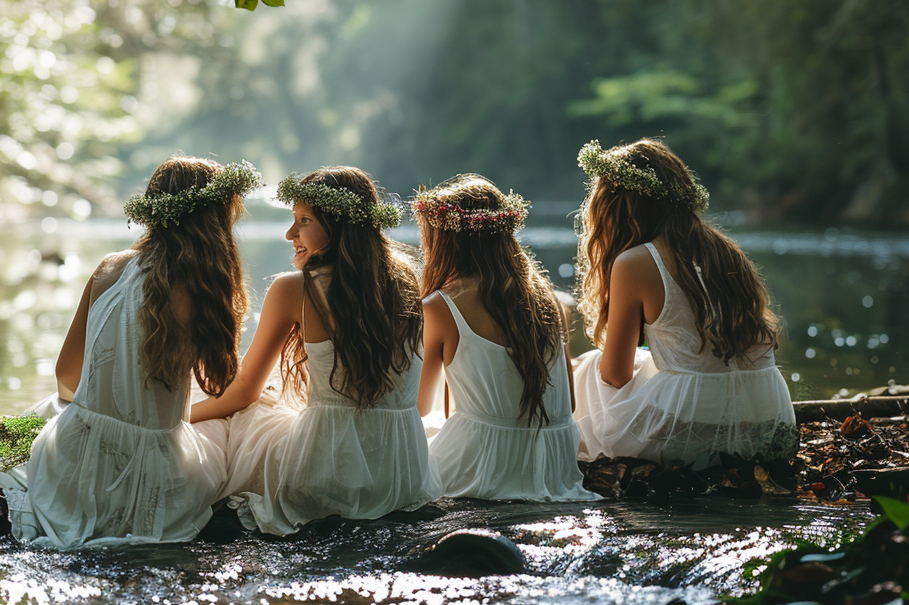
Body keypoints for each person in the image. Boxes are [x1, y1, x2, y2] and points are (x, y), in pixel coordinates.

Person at [0, 156, 259, 546]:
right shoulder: (207, 286)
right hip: (157, 467)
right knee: (222, 428)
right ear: (215, 222)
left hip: (73, 463)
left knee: (55, 407)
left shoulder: (109, 268)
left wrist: (99, 408)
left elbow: (66, 376)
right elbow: (218, 385)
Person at [190, 167, 437, 535]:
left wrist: (180, 417)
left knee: (248, 413)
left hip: (326, 475)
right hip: (402, 475)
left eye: (304, 220)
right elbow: (417, 403)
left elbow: (243, 392)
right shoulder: (405, 279)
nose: (291, 234)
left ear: (339, 225)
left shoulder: (294, 288)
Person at [570, 140, 797, 469]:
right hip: (767, 422)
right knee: (645, 363)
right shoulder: (724, 249)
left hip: (689, 435)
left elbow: (615, 376)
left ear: (618, 207)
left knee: (590, 368)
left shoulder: (635, 262)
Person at [413, 175, 598, 502]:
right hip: (552, 467)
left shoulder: (440, 307)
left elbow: (420, 406)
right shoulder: (550, 300)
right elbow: (568, 404)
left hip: (482, 466)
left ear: (445, 241)